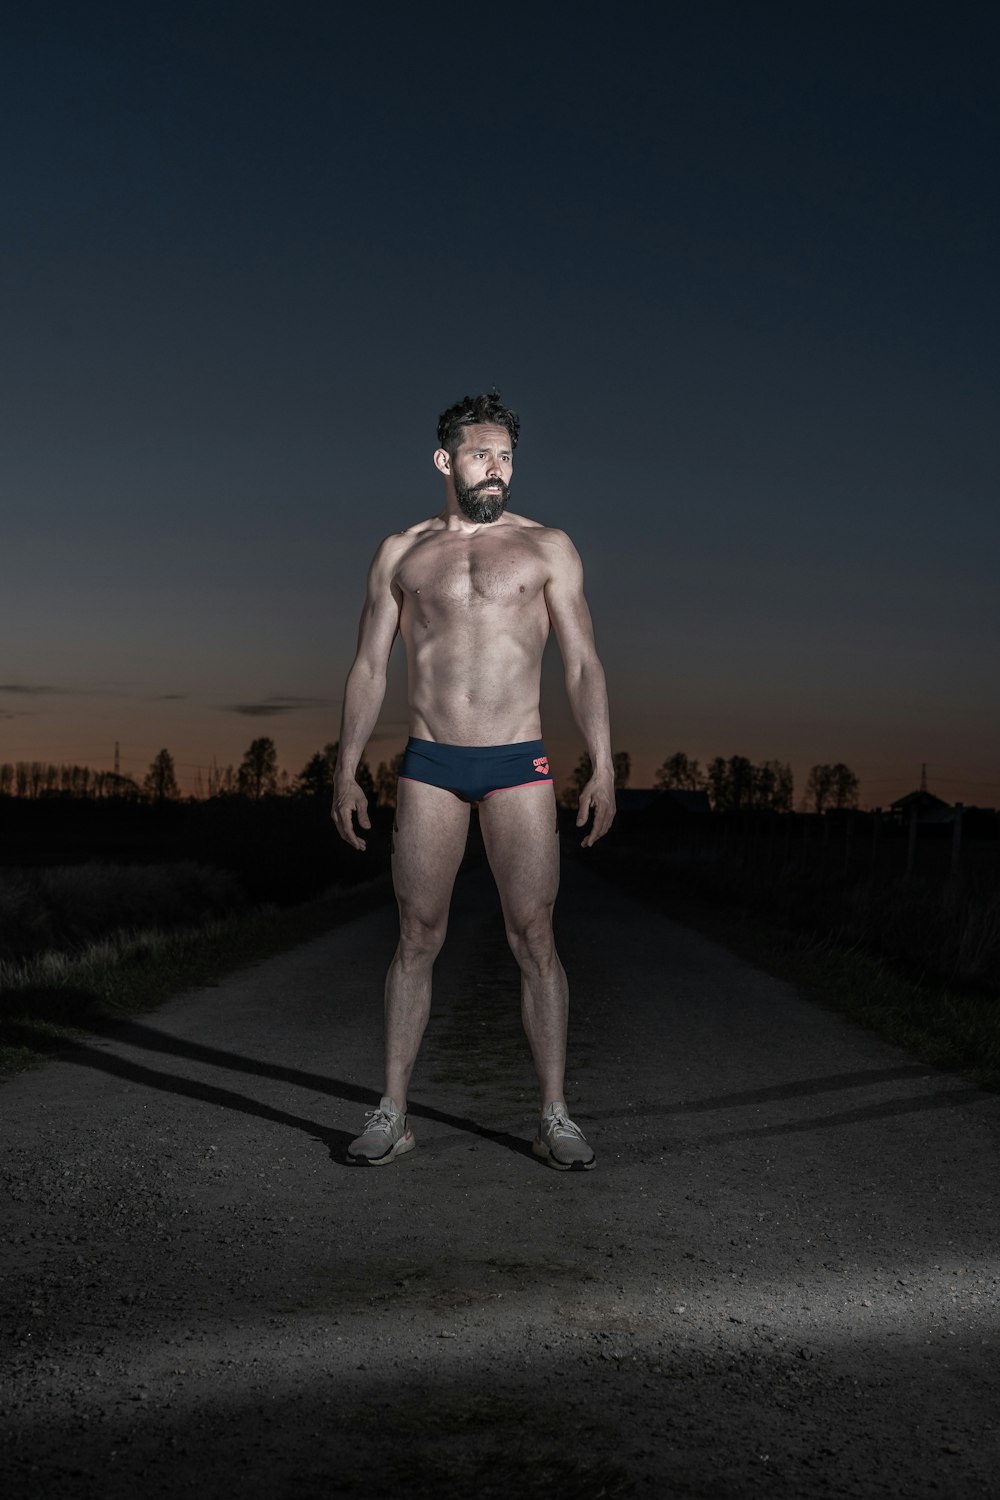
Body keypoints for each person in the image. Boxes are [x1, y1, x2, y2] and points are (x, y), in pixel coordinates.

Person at [332, 390, 614, 1169]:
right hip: (430, 761)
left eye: (508, 458)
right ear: (444, 460)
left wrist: (604, 761)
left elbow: (584, 663)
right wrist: (346, 768)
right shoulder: (400, 553)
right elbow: (369, 667)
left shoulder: (548, 547)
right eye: (483, 456)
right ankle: (392, 1111)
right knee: (417, 936)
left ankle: (554, 1114)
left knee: (534, 937)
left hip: (519, 763)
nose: (498, 471)